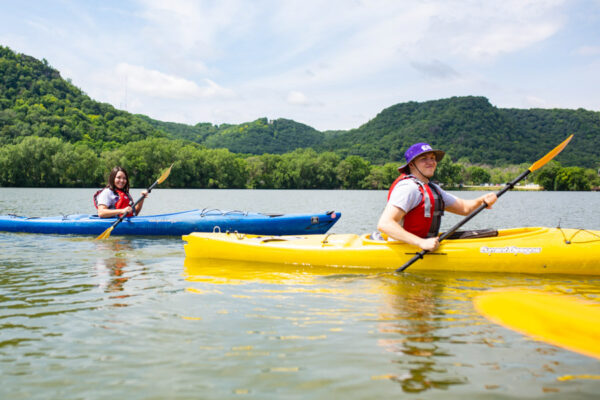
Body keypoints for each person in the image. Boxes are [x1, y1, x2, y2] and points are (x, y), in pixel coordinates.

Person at [377, 143, 497, 251]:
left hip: (426, 245)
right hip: (404, 248)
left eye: (433, 158)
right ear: (412, 165)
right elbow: (385, 224)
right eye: (424, 159)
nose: (431, 162)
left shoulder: (432, 188)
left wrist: (482, 200)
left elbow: (464, 208)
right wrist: (421, 243)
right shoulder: (408, 188)